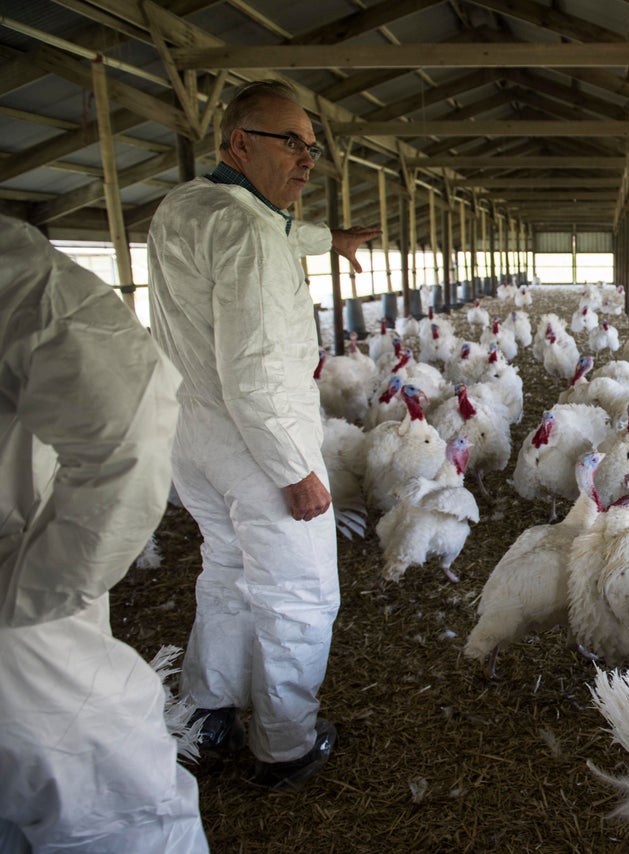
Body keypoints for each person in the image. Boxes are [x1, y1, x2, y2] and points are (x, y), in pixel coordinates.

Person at [147, 80, 380, 790]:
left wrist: (330, 239)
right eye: (291, 143)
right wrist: (295, 471)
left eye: (312, 148)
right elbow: (249, 372)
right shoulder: (249, 232)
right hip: (257, 447)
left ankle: (209, 705)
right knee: (300, 595)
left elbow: (266, 222)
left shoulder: (186, 207)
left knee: (226, 571)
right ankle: (285, 745)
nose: (308, 160)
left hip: (194, 437)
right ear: (238, 141)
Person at [0, 215, 208, 851]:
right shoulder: (19, 272)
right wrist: (48, 585)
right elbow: (132, 413)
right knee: (115, 812)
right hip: (19, 637)